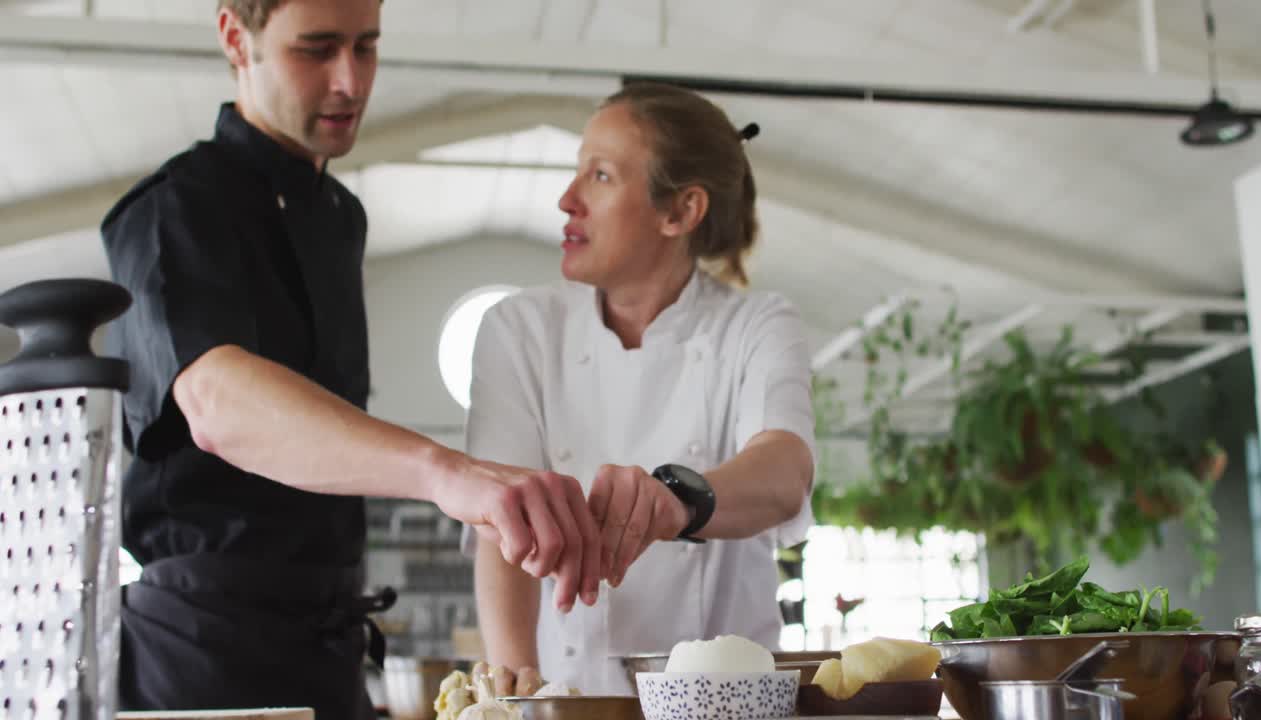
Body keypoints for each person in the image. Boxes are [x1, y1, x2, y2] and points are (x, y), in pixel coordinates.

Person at [99, 1, 600, 717]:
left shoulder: (339, 217)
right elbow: (216, 402)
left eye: (367, 47)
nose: (350, 80)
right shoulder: (174, 211)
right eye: (318, 49)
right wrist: (444, 472)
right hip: (201, 647)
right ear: (236, 38)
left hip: (328, 644)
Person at [466, 81, 817, 694]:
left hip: (728, 706)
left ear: (680, 212)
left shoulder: (756, 326)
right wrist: (514, 681)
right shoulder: (520, 329)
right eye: (579, 172)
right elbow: (499, 525)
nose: (566, 200)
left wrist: (678, 500)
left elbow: (785, 472)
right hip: (568, 698)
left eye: (600, 176)